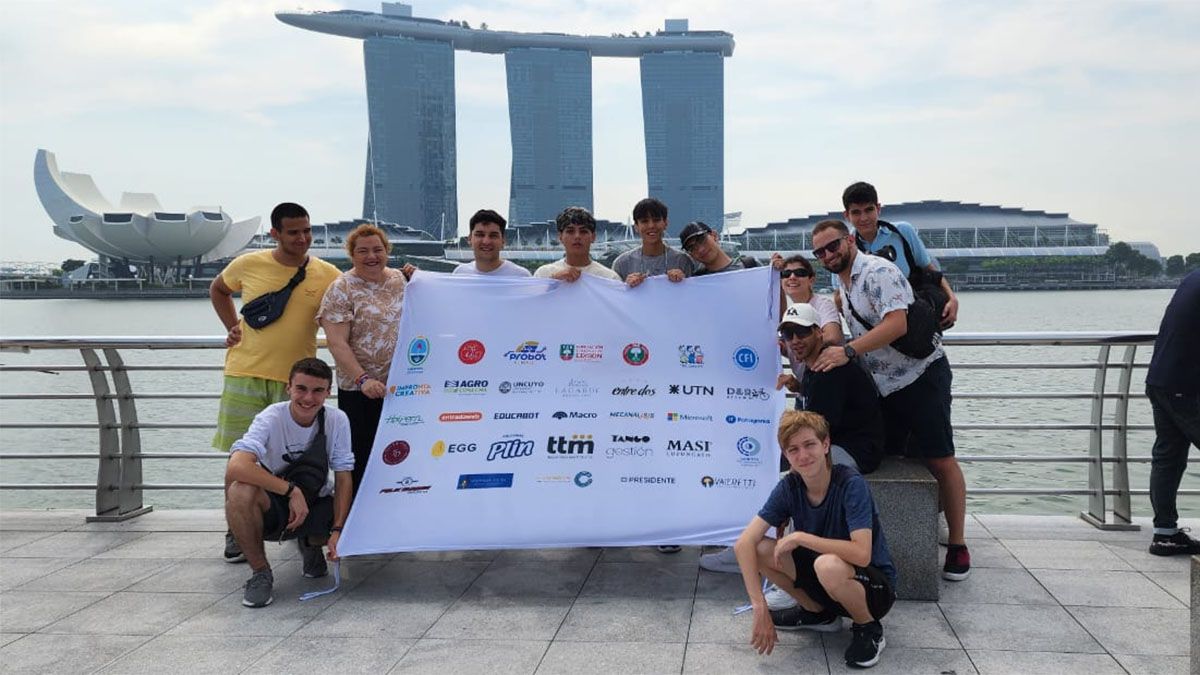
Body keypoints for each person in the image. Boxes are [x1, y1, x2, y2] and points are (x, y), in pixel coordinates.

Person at [810, 219, 970, 581]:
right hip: (885, 385)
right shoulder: (843, 281)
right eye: (819, 252)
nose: (828, 255)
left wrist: (847, 352)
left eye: (833, 246)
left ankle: (958, 544)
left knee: (940, 457)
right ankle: (911, 532)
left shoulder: (878, 271)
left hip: (921, 375)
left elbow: (896, 324)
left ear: (850, 240)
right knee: (897, 459)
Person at [210, 202, 340, 563]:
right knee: (239, 458)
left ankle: (301, 524)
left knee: (298, 457)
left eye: (307, 231)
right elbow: (218, 289)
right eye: (294, 232)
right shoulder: (248, 264)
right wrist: (230, 326)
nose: (303, 238)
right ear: (275, 234)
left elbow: (356, 293)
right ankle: (235, 531)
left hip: (297, 383)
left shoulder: (326, 273)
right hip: (245, 373)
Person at [733, 410, 896, 669]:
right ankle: (819, 614)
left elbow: (862, 553)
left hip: (873, 587)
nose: (803, 456)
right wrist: (759, 606)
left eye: (809, 444)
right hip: (827, 577)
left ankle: (868, 627)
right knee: (762, 549)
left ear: (826, 444)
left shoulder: (850, 484)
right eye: (793, 449)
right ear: (786, 456)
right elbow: (743, 544)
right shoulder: (790, 486)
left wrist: (800, 537)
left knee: (827, 565)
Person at [225, 357, 353, 608]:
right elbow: (237, 465)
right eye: (301, 389)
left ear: (329, 392)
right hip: (276, 504)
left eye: (318, 391)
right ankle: (260, 572)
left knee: (352, 497)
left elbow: (343, 476)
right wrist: (290, 491)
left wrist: (339, 530)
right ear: (288, 388)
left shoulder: (337, 420)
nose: (308, 398)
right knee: (240, 490)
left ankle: (311, 544)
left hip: (316, 500)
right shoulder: (271, 416)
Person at [317, 223, 413, 497]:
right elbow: (337, 343)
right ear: (351, 254)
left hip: (400, 388)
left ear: (387, 251)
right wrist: (363, 379)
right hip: (361, 390)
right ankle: (354, 520)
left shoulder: (401, 279)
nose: (371, 256)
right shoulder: (341, 288)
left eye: (377, 249)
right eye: (363, 251)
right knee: (360, 454)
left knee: (399, 452)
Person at [776, 304, 884, 474]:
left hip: (855, 449)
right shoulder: (815, 366)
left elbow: (817, 428)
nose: (795, 340)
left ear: (819, 332)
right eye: (788, 335)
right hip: (837, 442)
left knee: (804, 466)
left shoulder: (829, 371)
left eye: (802, 332)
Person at [840, 182, 958, 329]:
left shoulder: (902, 232)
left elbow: (930, 270)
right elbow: (840, 295)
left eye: (869, 210)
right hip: (874, 330)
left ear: (878, 209)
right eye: (856, 212)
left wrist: (952, 299)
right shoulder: (844, 247)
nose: (864, 218)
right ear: (847, 215)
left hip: (915, 322)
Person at [1146, 270, 1200, 555]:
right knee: (1168, 458)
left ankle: (1165, 534)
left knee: (1168, 458)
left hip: (1160, 379)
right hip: (1186, 386)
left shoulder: (1193, 277)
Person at [612, 197, 695, 286]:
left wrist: (683, 282)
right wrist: (626, 286)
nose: (651, 225)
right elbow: (614, 297)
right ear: (636, 226)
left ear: (666, 223)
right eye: (644, 221)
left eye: (656, 220)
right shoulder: (622, 264)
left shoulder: (682, 261)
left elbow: (693, 295)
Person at [534, 207, 621, 281]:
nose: (577, 236)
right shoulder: (543, 274)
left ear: (593, 237)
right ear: (560, 237)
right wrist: (554, 281)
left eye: (583, 231)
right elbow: (535, 300)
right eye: (570, 231)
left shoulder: (609, 278)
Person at [778, 254, 842, 346]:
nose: (792, 277)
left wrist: (797, 345)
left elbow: (832, 337)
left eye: (799, 273)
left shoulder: (823, 304)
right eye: (786, 274)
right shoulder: (790, 310)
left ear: (811, 280)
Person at [453, 209, 532, 277]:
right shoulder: (460, 274)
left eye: (493, 236)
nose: (486, 241)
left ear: (503, 241)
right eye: (480, 235)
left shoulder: (521, 276)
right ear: (470, 239)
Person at [680, 221, 759, 275]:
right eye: (692, 248)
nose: (700, 249)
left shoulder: (751, 266)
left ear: (714, 235)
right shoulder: (695, 281)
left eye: (701, 240)